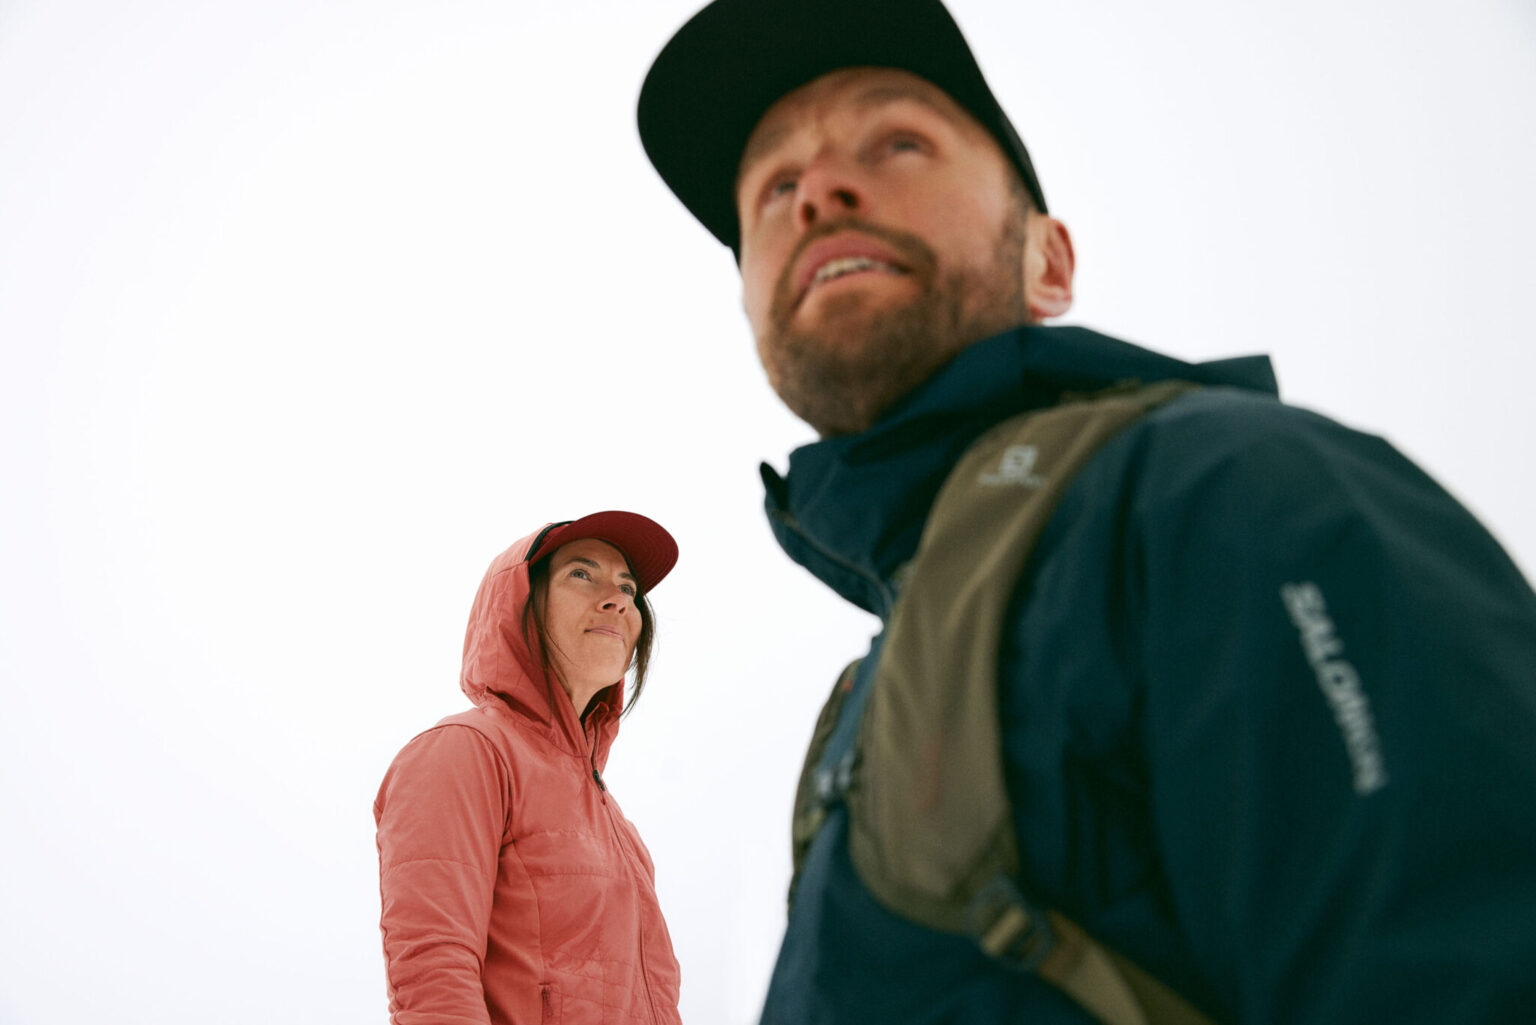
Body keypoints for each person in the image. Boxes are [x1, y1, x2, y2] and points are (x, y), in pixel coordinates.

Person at [636, 1, 1536, 1022]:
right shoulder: (866, 701)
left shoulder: (1223, 491)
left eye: (897, 141)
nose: (819, 195)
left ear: (1048, 262)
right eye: (773, 188)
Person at [374, 510, 684, 1025]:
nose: (619, 598)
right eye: (580, 574)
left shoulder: (615, 823)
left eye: (628, 587)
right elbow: (433, 971)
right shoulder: (464, 751)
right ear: (517, 606)